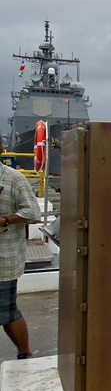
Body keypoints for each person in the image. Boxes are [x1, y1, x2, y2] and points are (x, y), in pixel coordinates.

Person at [0, 140, 42, 359]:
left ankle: (24, 353)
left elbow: (33, 213)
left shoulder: (14, 178)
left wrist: (5, 220)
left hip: (3, 259)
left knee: (7, 312)